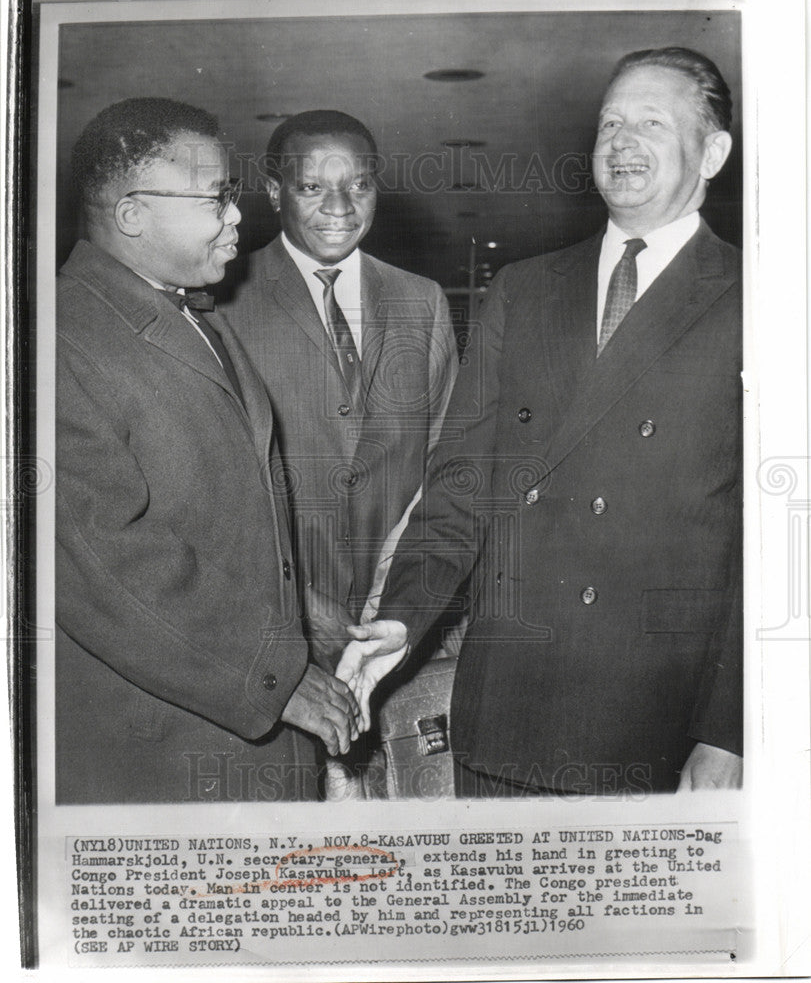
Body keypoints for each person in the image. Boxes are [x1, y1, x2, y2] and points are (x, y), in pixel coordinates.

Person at [339, 47, 743, 797]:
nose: (620, 143)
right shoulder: (524, 290)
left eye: (650, 123)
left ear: (711, 151)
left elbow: (770, 542)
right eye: (608, 122)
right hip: (507, 707)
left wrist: (729, 731)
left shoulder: (756, 298)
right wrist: (401, 616)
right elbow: (458, 486)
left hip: (656, 719)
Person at [56, 97, 359, 804]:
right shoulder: (60, 338)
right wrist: (273, 673)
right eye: (218, 198)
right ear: (133, 216)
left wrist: (300, 608)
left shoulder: (188, 314)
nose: (237, 217)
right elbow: (97, 558)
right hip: (164, 760)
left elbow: (210, 513)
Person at [222, 110, 458, 665]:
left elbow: (445, 464)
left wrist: (402, 601)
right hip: (272, 621)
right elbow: (213, 492)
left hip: (396, 621)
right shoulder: (225, 302)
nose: (339, 209)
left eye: (358, 186)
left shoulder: (421, 300)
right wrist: (300, 608)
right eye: (311, 187)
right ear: (274, 192)